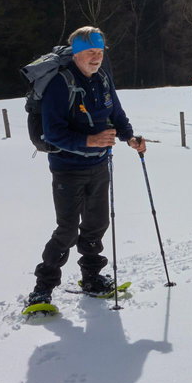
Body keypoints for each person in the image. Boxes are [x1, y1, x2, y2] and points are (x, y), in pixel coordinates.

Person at [26, 26, 146, 308]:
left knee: (97, 224)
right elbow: (52, 133)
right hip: (67, 168)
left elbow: (116, 113)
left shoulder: (102, 77)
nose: (96, 57)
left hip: (100, 164)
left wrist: (129, 137)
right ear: (76, 54)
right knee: (67, 230)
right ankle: (42, 288)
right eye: (90, 52)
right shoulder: (60, 83)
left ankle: (91, 277)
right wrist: (90, 140)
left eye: (100, 51)